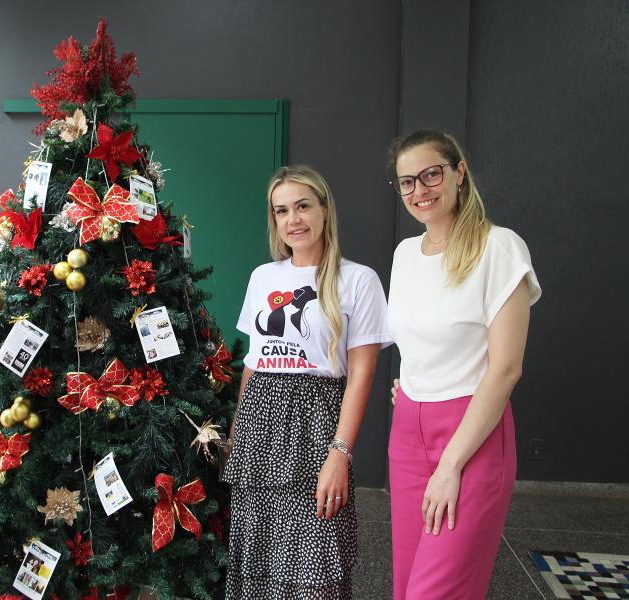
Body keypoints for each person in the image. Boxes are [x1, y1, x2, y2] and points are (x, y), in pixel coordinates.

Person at [385, 130, 541, 599]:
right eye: (406, 181)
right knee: (406, 585)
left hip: (470, 436)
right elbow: (417, 337)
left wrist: (452, 463)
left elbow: (507, 368)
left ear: (459, 173)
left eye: (431, 174)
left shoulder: (499, 247)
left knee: (436, 593)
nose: (419, 190)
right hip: (407, 433)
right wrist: (412, 387)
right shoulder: (405, 254)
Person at [223, 165, 391, 599]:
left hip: (316, 423)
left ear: (324, 209)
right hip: (260, 420)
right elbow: (253, 362)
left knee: (315, 551)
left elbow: (362, 377)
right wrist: (237, 433)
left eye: (302, 206)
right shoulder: (264, 277)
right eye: (282, 211)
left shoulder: (358, 279)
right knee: (258, 546)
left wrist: (340, 455)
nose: (293, 219)